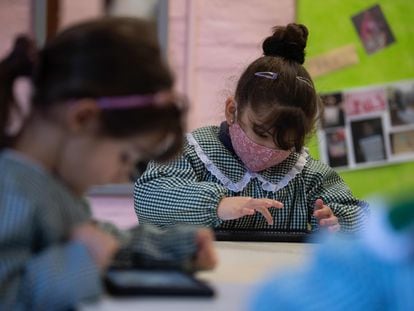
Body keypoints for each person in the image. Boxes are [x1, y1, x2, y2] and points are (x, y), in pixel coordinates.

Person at [0, 18, 216, 311]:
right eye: (125, 156)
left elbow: (103, 239)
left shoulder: (51, 188)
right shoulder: (11, 193)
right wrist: (81, 259)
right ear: (83, 118)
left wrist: (174, 246)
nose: (124, 174)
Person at [135, 23, 368, 233]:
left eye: (285, 143)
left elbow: (365, 220)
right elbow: (148, 197)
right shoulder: (193, 153)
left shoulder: (306, 174)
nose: (269, 149)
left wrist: (337, 221)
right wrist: (217, 205)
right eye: (261, 133)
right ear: (232, 111)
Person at [250, 193, 414, 311]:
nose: (269, 150)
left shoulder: (314, 174)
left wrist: (336, 221)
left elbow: (357, 214)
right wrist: (222, 204)